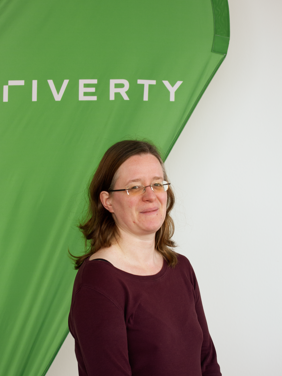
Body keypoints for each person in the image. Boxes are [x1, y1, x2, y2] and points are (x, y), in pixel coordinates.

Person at [68, 140, 221, 376]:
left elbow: (207, 362)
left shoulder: (181, 267)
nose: (150, 196)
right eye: (135, 187)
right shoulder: (98, 282)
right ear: (108, 201)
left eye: (157, 184)